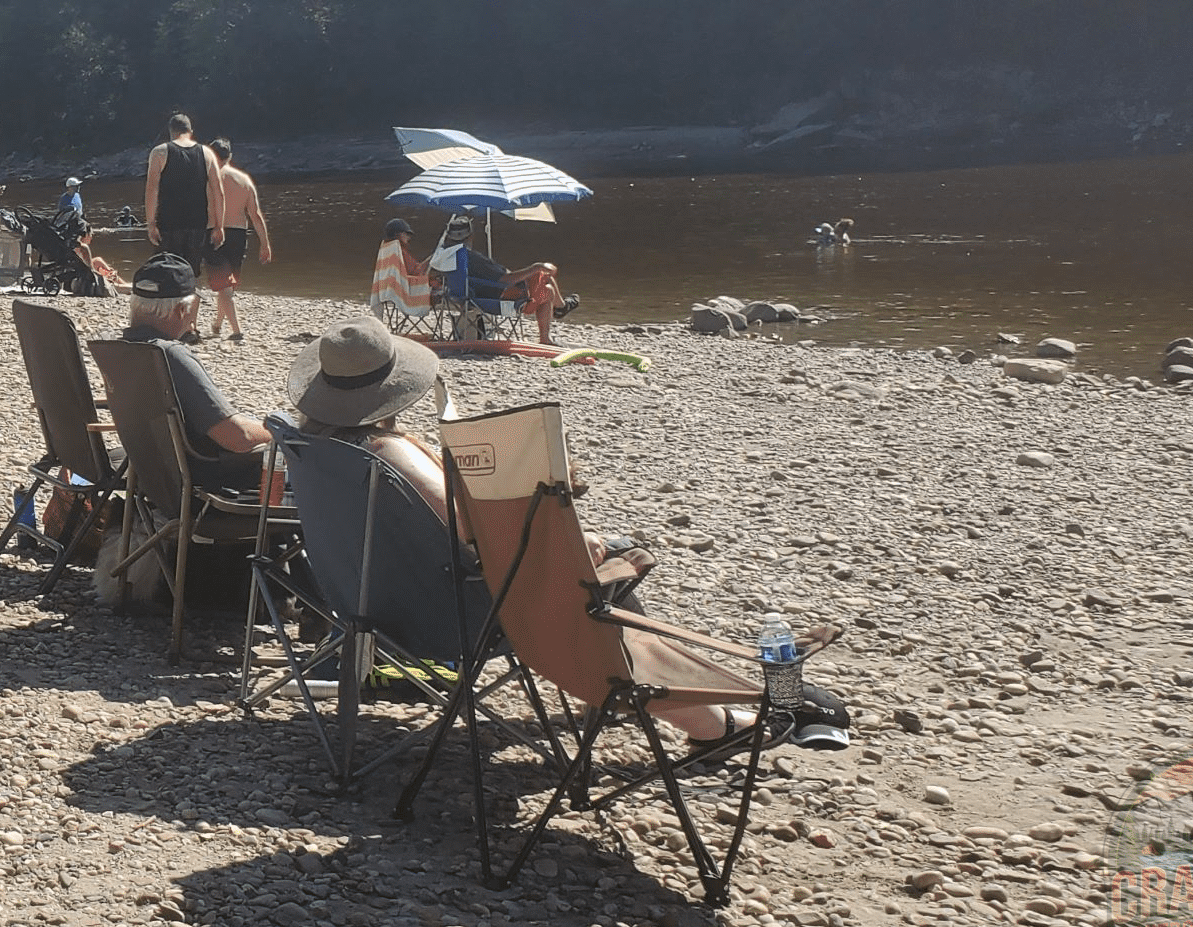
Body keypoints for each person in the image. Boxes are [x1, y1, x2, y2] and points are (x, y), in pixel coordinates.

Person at [286, 314, 830, 743]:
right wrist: (568, 538)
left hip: (365, 609)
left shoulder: (314, 450)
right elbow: (477, 536)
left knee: (597, 559)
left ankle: (633, 693)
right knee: (610, 559)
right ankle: (699, 720)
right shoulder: (390, 453)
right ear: (393, 388)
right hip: (451, 622)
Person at [118, 254, 271, 491]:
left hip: (157, 481)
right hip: (207, 486)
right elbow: (239, 438)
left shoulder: (122, 351)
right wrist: (282, 430)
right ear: (181, 310)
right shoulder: (169, 356)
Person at [142, 115, 224, 336]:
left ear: (171, 131)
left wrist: (150, 223)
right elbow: (218, 191)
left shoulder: (160, 152)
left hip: (168, 224)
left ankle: (166, 323)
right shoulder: (207, 153)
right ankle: (190, 325)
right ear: (191, 130)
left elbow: (152, 190)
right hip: (198, 224)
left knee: (167, 272)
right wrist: (219, 226)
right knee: (191, 275)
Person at [444, 215, 569, 344]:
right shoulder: (474, 259)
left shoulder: (448, 256)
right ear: (471, 236)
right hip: (501, 298)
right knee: (546, 286)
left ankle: (561, 307)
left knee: (544, 279)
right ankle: (556, 316)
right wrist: (535, 267)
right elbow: (506, 281)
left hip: (468, 296)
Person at [205, 140, 273, 342]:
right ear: (230, 156)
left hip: (214, 232)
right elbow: (256, 214)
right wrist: (265, 243)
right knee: (228, 285)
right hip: (238, 235)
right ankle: (217, 323)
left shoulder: (208, 179)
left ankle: (236, 330)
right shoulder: (244, 180)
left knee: (224, 285)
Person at [370, 218, 432, 321]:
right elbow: (416, 271)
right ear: (398, 234)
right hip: (406, 289)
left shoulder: (386, 248)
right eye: (407, 234)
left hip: (385, 290)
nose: (409, 237)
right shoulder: (398, 250)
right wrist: (431, 260)